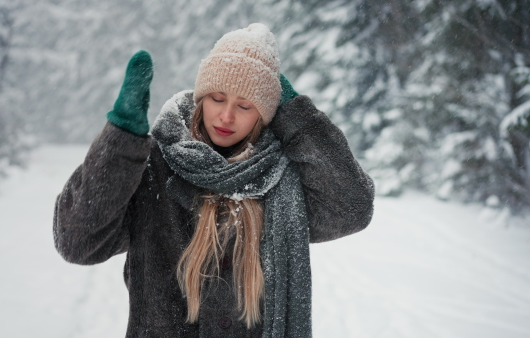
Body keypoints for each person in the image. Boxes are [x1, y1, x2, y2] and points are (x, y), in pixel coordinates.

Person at [53, 23, 374, 338]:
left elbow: (351, 208)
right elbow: (78, 242)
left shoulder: (280, 177)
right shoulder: (155, 165)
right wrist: (121, 140)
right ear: (201, 97)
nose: (226, 117)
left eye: (245, 106)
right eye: (218, 98)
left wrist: (300, 120)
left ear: (265, 115)